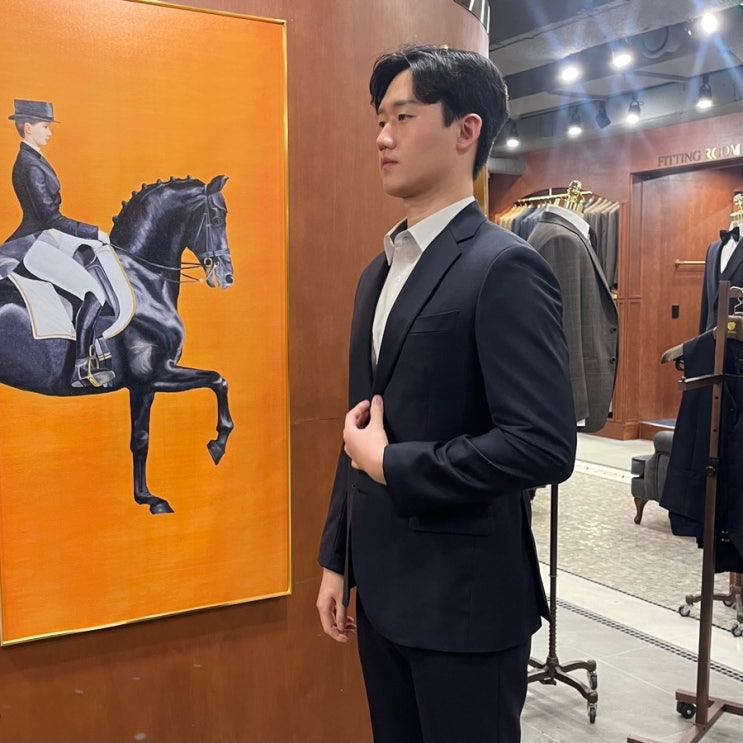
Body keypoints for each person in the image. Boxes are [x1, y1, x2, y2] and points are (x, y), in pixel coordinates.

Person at [316, 45, 577, 743]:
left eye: (403, 117)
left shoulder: (504, 267)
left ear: (466, 130)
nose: (383, 137)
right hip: (382, 596)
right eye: (379, 120)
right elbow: (360, 426)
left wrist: (391, 464)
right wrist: (337, 557)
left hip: (466, 606)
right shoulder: (377, 272)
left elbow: (541, 445)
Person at [6, 98, 119, 388]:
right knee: (94, 292)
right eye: (45, 126)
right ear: (28, 128)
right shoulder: (29, 166)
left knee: (93, 256)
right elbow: (50, 217)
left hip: (47, 235)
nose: (50, 132)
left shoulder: (35, 158)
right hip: (34, 243)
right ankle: (81, 368)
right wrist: (93, 231)